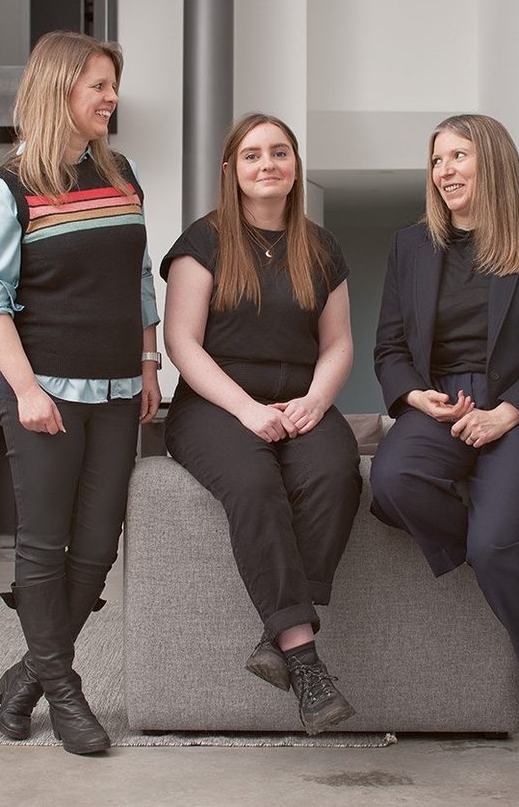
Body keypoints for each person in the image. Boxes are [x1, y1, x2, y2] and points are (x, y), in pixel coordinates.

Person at [0, 30, 161, 755]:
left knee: (99, 545)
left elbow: (137, 277)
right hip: (42, 391)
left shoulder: (123, 173)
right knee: (45, 542)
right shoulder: (7, 188)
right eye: (98, 85)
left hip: (116, 389)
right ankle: (65, 689)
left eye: (113, 84)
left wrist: (148, 363)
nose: (111, 97)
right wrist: (25, 388)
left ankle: (28, 676)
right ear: (58, 91)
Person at [371, 113, 519, 762]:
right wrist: (416, 394)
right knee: (390, 481)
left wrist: (507, 412)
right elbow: (388, 346)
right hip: (444, 404)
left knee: (494, 546)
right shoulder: (411, 245)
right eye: (436, 159)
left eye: (458, 155)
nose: (444, 170)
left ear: (490, 160)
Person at [161, 113, 361, 735]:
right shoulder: (205, 240)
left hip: (300, 397)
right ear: (232, 171)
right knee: (253, 484)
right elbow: (181, 342)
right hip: (215, 404)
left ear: (295, 165)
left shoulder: (321, 247)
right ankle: (302, 656)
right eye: (252, 155)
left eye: (279, 152)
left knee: (336, 472)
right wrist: (245, 409)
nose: (267, 164)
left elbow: (338, 343)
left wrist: (318, 401)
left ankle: (275, 639)